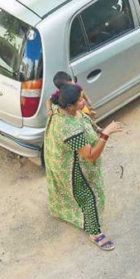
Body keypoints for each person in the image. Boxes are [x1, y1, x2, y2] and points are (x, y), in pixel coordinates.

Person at [44, 84, 123, 251]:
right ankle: (95, 233)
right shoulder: (69, 128)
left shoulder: (58, 105)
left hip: (55, 154)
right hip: (70, 166)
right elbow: (91, 155)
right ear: (69, 106)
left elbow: (49, 100)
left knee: (62, 189)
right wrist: (105, 133)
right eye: (79, 100)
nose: (83, 102)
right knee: (88, 195)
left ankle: (60, 210)